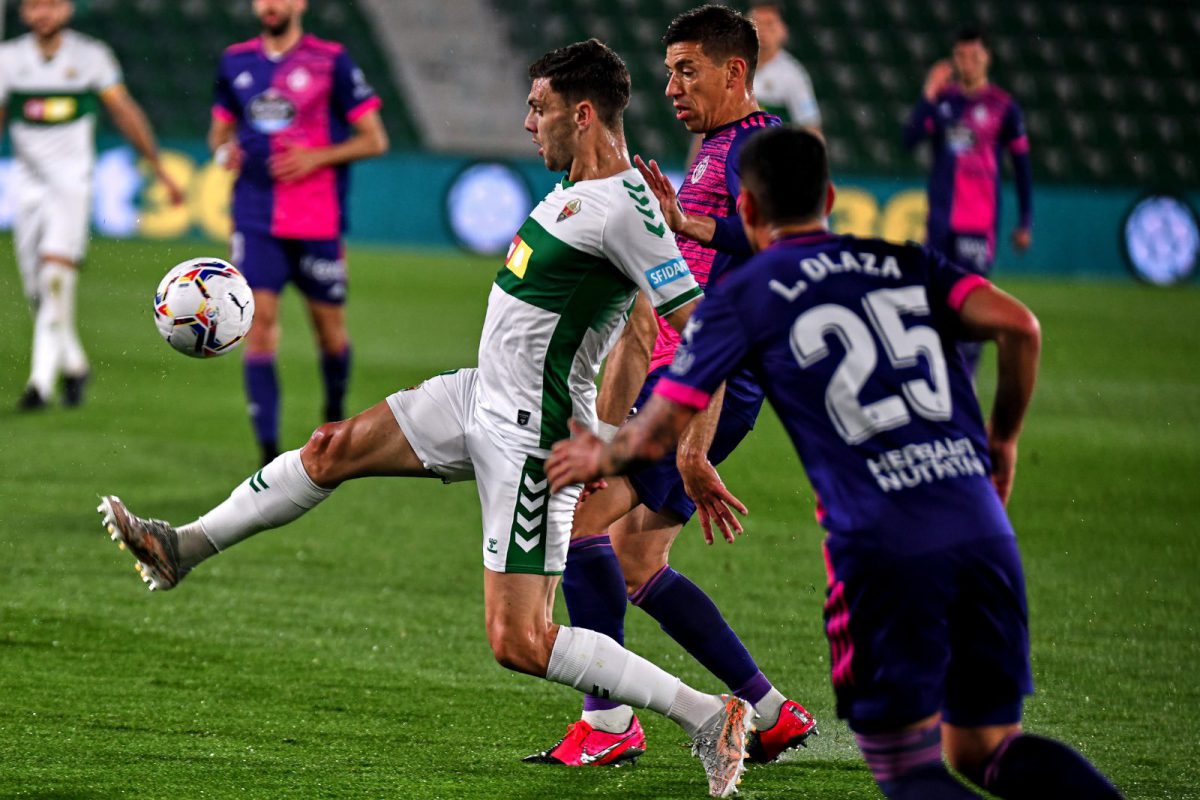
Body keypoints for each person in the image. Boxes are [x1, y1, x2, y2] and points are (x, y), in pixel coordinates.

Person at [100, 39, 754, 799]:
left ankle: (708, 715)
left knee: (520, 641)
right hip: (478, 394)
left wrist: (690, 450)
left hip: (533, 437)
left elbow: (704, 327)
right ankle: (182, 547)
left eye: (537, 109)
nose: (525, 123)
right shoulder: (581, 184)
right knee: (331, 447)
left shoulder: (626, 209)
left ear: (582, 114)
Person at [547, 126, 1124, 800]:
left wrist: (602, 448)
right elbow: (1021, 327)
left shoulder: (747, 292)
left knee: (909, 766)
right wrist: (1002, 445)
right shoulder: (905, 259)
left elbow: (659, 428)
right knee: (985, 747)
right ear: (830, 197)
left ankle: (626, 720)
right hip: (982, 524)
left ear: (750, 214)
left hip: (884, 546)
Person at [527, 4, 816, 769]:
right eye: (669, 72)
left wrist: (691, 441)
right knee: (634, 562)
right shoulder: (720, 148)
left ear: (735, 72)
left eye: (688, 70)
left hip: (710, 380)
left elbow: (776, 250)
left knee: (582, 520)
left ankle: (609, 719)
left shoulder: (762, 147)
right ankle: (770, 711)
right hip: (693, 374)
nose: (674, 86)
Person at [210, 0, 389, 466]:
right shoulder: (235, 60)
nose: (269, 5)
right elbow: (219, 134)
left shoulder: (331, 60)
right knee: (259, 330)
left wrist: (316, 157)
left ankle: (333, 417)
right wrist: (224, 151)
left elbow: (374, 139)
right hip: (255, 219)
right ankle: (268, 454)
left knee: (330, 335)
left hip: (317, 221)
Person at [1, 0, 181, 410]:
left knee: (53, 281)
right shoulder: (8, 60)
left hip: (72, 186)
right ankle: (75, 364)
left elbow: (125, 112)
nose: (42, 13)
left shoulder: (91, 56)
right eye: (34, 6)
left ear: (67, 10)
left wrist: (159, 167)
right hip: (26, 187)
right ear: (24, 13)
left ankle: (39, 385)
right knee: (37, 288)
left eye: (51, 5)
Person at [903, 27, 1032, 375]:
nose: (968, 63)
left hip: (978, 224)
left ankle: (965, 384)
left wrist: (1025, 221)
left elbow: (1021, 166)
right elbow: (909, 140)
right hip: (941, 222)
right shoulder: (943, 101)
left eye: (974, 56)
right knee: (933, 304)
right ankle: (935, 381)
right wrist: (928, 93)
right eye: (961, 56)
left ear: (987, 57)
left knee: (971, 308)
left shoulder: (1003, 107)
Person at [747, 2, 820, 128]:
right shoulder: (730, 65)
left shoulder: (793, 75)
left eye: (769, 24)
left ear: (783, 31)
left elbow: (810, 126)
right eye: (756, 23)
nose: (762, 30)